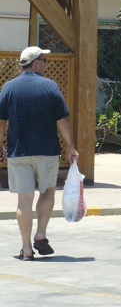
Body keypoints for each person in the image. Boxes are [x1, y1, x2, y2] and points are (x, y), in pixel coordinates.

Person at [0, 46, 79, 261]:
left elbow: (1, 122)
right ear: (36, 63)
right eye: (44, 59)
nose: (46, 63)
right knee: (48, 191)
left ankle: (26, 249)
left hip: (19, 152)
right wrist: (70, 147)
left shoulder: (8, 88)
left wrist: (0, 146)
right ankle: (41, 234)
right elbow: (62, 121)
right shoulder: (50, 87)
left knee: (23, 199)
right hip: (47, 151)